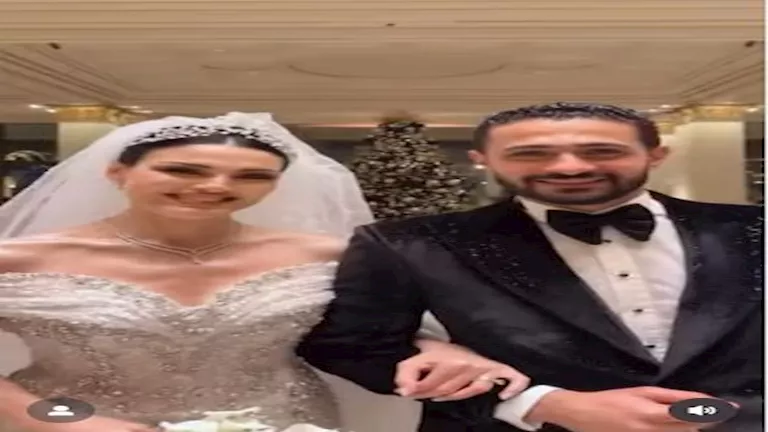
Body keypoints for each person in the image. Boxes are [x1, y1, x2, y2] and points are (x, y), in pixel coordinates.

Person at [0, 113, 529, 432]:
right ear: (117, 172)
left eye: (251, 176)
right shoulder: (17, 259)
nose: (216, 186)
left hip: (283, 420)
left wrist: (436, 348)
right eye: (182, 169)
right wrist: (58, 418)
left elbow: (369, 328)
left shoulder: (329, 254)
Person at [298, 102, 763, 432]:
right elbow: (349, 347)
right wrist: (542, 403)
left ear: (656, 155)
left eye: (602, 151)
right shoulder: (409, 243)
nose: (569, 167)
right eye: (530, 153)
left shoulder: (754, 228)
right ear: (483, 161)